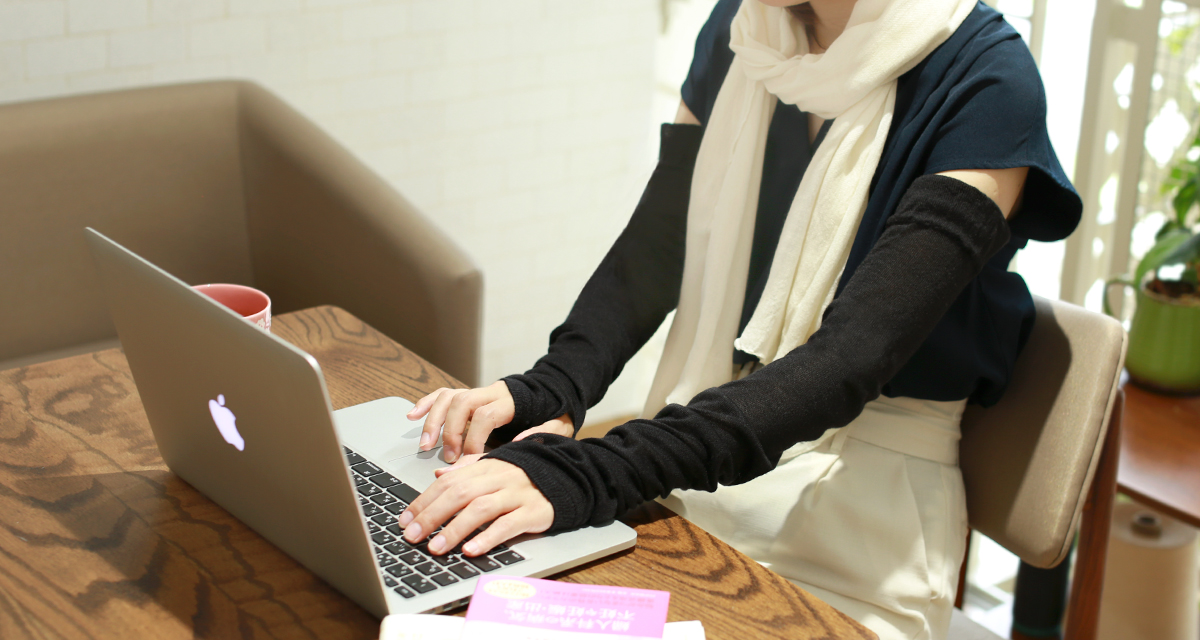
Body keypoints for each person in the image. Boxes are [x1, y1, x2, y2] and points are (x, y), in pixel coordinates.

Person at [394, 0, 1080, 638]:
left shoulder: (990, 84)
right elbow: (659, 246)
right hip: (710, 452)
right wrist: (552, 390)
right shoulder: (748, 28)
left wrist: (591, 473)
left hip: (865, 512)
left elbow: (852, 358)